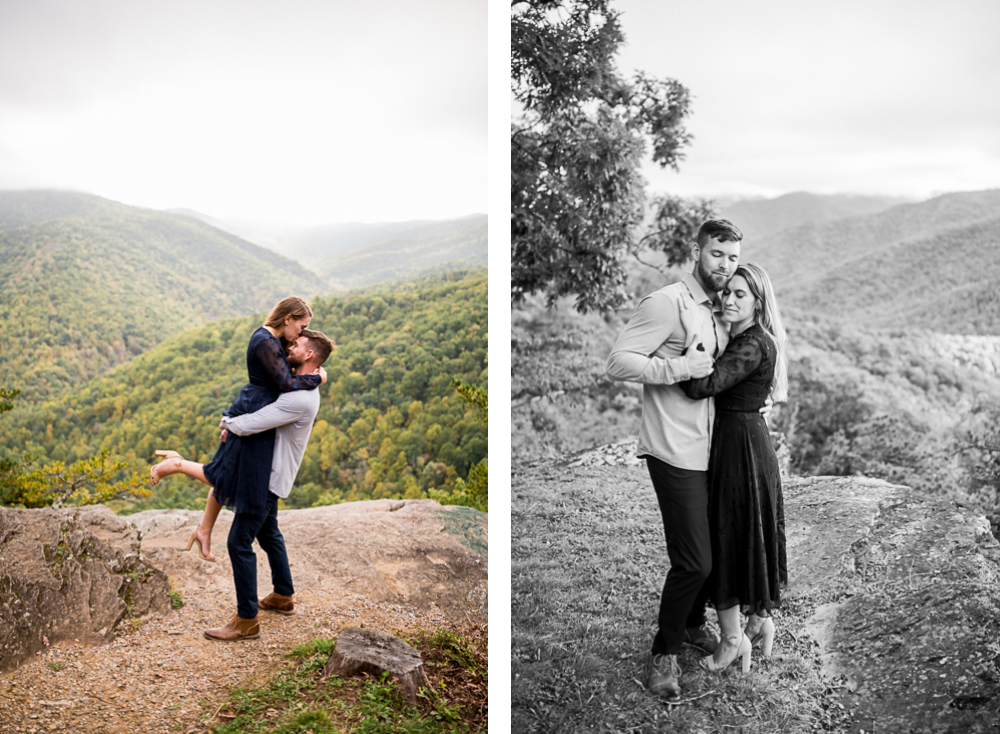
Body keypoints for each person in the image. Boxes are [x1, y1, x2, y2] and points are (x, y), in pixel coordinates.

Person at [606, 219, 743, 700]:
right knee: (695, 562)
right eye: (716, 254)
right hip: (674, 450)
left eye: (732, 257)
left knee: (714, 552)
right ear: (697, 251)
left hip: (714, 453)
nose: (724, 265)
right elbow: (619, 361)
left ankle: (690, 623)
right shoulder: (666, 303)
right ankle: (664, 653)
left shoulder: (722, 310)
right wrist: (679, 367)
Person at [150, 328, 335, 641]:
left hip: (265, 479)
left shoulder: (301, 399)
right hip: (270, 472)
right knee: (269, 531)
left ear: (310, 355)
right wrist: (319, 377)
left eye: (297, 344)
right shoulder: (300, 384)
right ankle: (283, 595)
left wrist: (227, 424)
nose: (290, 346)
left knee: (238, 542)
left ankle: (246, 619)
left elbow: (253, 423)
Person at [150, 295, 324, 562]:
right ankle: (177, 464)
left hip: (258, 413)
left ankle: (204, 530)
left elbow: (288, 372)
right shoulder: (265, 341)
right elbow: (286, 383)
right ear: (288, 319)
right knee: (227, 474)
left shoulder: (276, 340)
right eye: (301, 326)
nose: (301, 332)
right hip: (253, 412)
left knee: (229, 472)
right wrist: (318, 377)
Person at [680, 262, 788, 673]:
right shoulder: (748, 338)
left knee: (724, 537)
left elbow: (700, 385)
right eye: (727, 292)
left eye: (740, 294)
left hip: (739, 449)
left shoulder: (751, 344)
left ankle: (732, 640)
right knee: (741, 534)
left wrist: (692, 352)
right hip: (745, 441)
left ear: (758, 303)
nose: (728, 299)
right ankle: (759, 622)